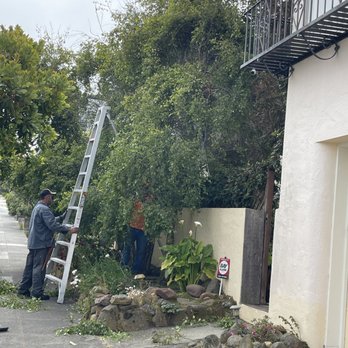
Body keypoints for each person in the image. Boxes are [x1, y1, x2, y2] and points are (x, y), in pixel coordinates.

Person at [17, 189, 78, 300]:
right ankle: (37, 293)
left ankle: (23, 290)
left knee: (29, 267)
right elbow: (52, 225)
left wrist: (60, 218)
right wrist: (69, 229)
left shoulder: (37, 207)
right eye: (51, 197)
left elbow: (48, 221)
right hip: (41, 243)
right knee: (39, 268)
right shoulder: (44, 209)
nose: (52, 199)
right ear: (46, 197)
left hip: (33, 243)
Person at [121, 199, 148, 275]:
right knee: (127, 247)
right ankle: (123, 268)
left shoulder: (151, 200)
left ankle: (135, 271)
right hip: (132, 227)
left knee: (141, 251)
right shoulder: (135, 198)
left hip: (143, 230)